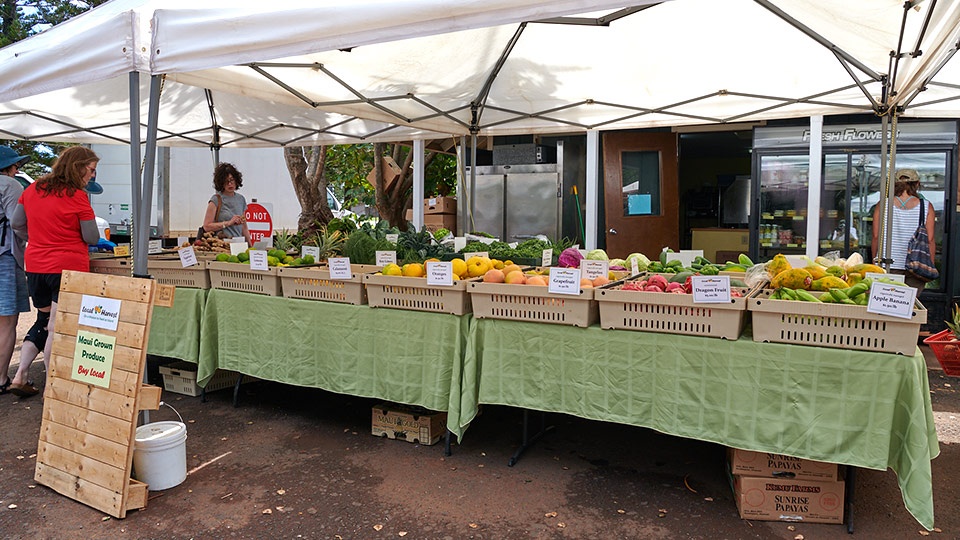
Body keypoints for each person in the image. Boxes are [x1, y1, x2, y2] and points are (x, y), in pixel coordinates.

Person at [9, 146, 101, 397]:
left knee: (43, 321)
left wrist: (38, 237)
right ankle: (54, 387)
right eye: (91, 170)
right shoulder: (77, 196)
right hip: (67, 268)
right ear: (78, 166)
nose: (92, 175)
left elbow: (17, 223)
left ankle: (20, 374)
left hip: (36, 266)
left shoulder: (33, 188)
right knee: (56, 328)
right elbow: (91, 235)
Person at [871, 168, 935, 292]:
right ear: (917, 184)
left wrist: (875, 260)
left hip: (887, 263)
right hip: (916, 266)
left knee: (887, 304)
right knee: (908, 305)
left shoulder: (883, 204)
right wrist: (930, 264)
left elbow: (875, 236)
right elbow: (930, 239)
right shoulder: (926, 206)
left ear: (894, 184)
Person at [0, 146, 30, 395]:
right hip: (5, 258)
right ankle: (1, 379)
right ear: (9, 167)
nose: (17, 170)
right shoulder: (10, 186)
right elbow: (17, 223)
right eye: (16, 166)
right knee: (6, 322)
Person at [202, 162, 251, 245]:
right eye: (226, 181)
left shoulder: (241, 199)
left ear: (236, 180)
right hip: (222, 244)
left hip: (239, 243)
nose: (229, 184)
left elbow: (244, 227)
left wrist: (250, 246)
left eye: (231, 180)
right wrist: (228, 223)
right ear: (221, 183)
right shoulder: (216, 200)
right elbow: (206, 226)